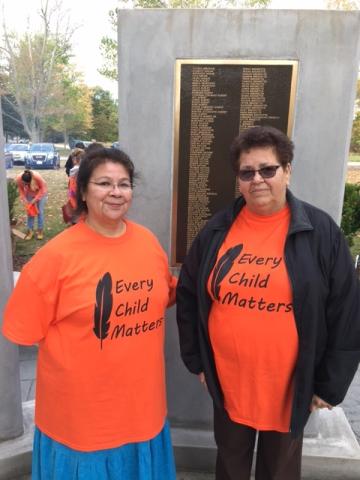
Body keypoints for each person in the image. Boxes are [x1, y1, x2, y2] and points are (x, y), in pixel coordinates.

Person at [176, 125, 360, 480]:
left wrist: (329, 384)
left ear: (287, 171)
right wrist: (197, 360)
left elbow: (346, 311)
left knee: (279, 470)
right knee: (230, 463)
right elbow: (188, 295)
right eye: (247, 172)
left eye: (268, 169)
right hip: (230, 380)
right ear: (239, 180)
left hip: (290, 385)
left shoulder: (320, 233)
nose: (257, 179)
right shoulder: (217, 231)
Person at [3, 147, 177, 480]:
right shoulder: (54, 258)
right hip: (82, 421)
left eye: (124, 184)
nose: (115, 192)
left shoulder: (148, 244)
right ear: (83, 191)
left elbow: (163, 295)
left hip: (143, 408)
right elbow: (25, 330)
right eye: (104, 183)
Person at [15, 169, 48, 240]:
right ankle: (30, 231)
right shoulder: (18, 179)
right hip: (29, 194)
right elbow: (21, 190)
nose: (24, 185)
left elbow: (43, 189)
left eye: (26, 184)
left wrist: (35, 199)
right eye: (23, 183)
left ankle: (40, 231)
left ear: (30, 182)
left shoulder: (37, 177)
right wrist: (24, 199)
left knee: (40, 212)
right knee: (30, 212)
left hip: (40, 193)